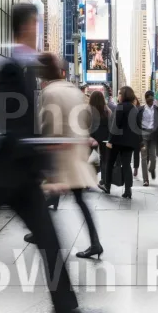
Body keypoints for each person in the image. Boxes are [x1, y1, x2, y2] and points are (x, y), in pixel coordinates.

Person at [0, 4, 78, 312]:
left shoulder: (26, 68)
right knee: (47, 240)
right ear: (28, 26)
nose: (39, 32)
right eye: (37, 25)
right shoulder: (12, 68)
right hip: (12, 175)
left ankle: (67, 306)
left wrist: (46, 156)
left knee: (49, 240)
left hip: (21, 175)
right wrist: (42, 152)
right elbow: (11, 127)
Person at [37, 53, 103, 260]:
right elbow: (84, 120)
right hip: (75, 154)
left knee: (42, 194)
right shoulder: (74, 90)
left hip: (58, 154)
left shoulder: (49, 92)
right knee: (79, 200)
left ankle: (41, 233)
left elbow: (49, 126)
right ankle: (95, 242)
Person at [100, 86, 141, 199]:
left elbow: (115, 126)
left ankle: (107, 187)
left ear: (123, 95)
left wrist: (110, 141)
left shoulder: (120, 106)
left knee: (109, 163)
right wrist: (139, 142)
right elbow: (138, 127)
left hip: (117, 141)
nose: (118, 96)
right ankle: (128, 191)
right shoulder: (134, 108)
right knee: (127, 165)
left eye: (119, 94)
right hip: (130, 143)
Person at [138, 90, 158, 187]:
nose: (151, 101)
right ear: (146, 99)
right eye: (149, 99)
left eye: (152, 99)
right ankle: (145, 179)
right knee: (144, 158)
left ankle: (152, 169)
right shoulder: (140, 110)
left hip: (154, 136)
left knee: (153, 157)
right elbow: (136, 124)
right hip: (143, 134)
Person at [88, 91, 111, 182]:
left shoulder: (88, 110)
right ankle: (104, 179)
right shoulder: (107, 110)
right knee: (104, 159)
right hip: (105, 138)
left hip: (91, 137)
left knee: (89, 158)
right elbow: (111, 125)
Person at [132, 97, 141, 177]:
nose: (134, 102)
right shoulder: (130, 110)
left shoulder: (139, 110)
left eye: (134, 100)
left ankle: (136, 168)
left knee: (136, 154)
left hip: (137, 135)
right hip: (130, 135)